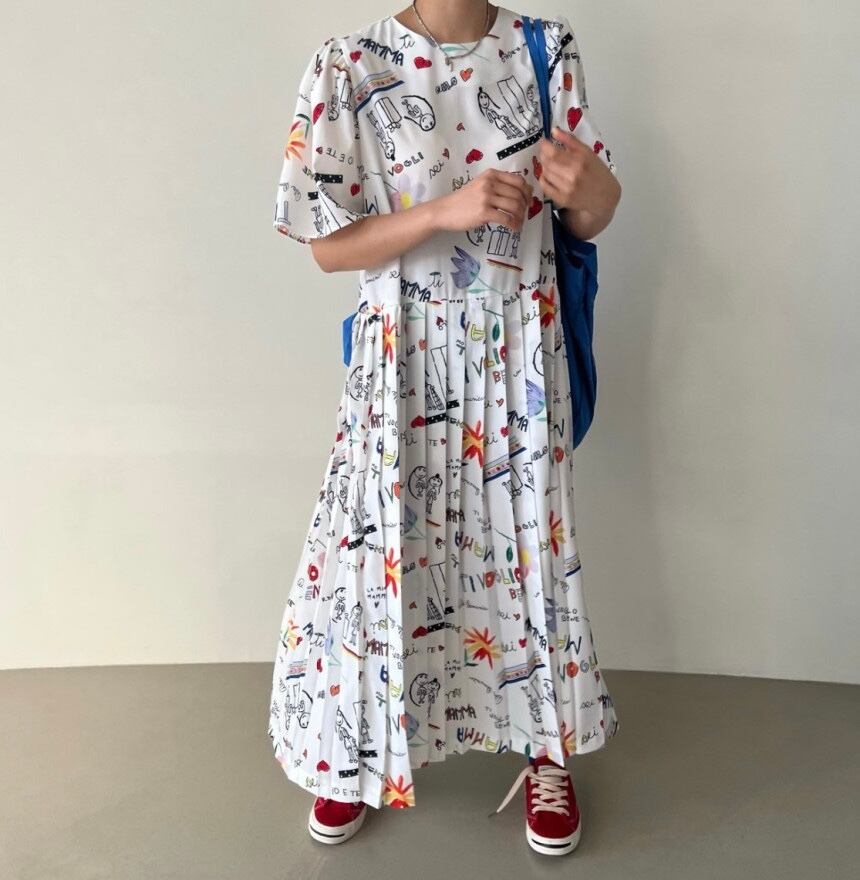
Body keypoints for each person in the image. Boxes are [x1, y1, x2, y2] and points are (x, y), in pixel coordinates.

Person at [268, 1, 622, 856]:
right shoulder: (349, 63)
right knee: (378, 552)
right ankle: (351, 749)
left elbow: (587, 215)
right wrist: (440, 212)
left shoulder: (545, 49)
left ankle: (546, 748)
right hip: (403, 356)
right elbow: (325, 245)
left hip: (519, 354)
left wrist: (597, 196)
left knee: (528, 551)